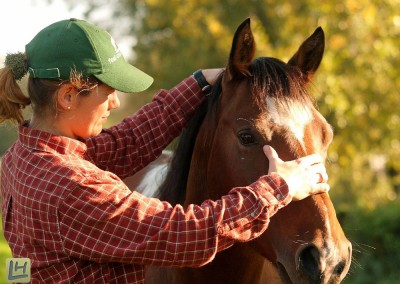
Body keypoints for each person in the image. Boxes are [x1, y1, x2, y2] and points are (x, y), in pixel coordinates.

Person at [0, 18, 329, 283]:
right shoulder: (71, 188)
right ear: (68, 96)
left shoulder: (18, 161)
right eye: (108, 90)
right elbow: (181, 235)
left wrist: (199, 82)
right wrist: (278, 188)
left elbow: (127, 143)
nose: (115, 102)